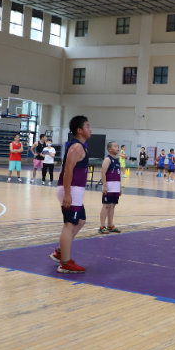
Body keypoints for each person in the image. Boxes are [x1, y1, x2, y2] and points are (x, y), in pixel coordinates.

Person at [49, 116, 91, 274]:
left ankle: (60, 252)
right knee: (69, 224)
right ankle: (65, 263)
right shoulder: (76, 147)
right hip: (71, 189)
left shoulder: (80, 146)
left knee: (80, 220)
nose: (90, 129)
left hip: (75, 189)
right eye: (87, 126)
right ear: (79, 130)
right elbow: (68, 171)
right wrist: (67, 194)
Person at [99, 141, 122, 234]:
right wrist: (104, 185)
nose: (117, 148)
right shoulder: (107, 159)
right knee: (106, 205)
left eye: (118, 146)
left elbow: (119, 175)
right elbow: (103, 173)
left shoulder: (117, 160)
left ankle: (110, 225)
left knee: (112, 205)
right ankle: (102, 226)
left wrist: (120, 187)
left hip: (116, 186)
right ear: (109, 149)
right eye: (115, 146)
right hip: (109, 186)